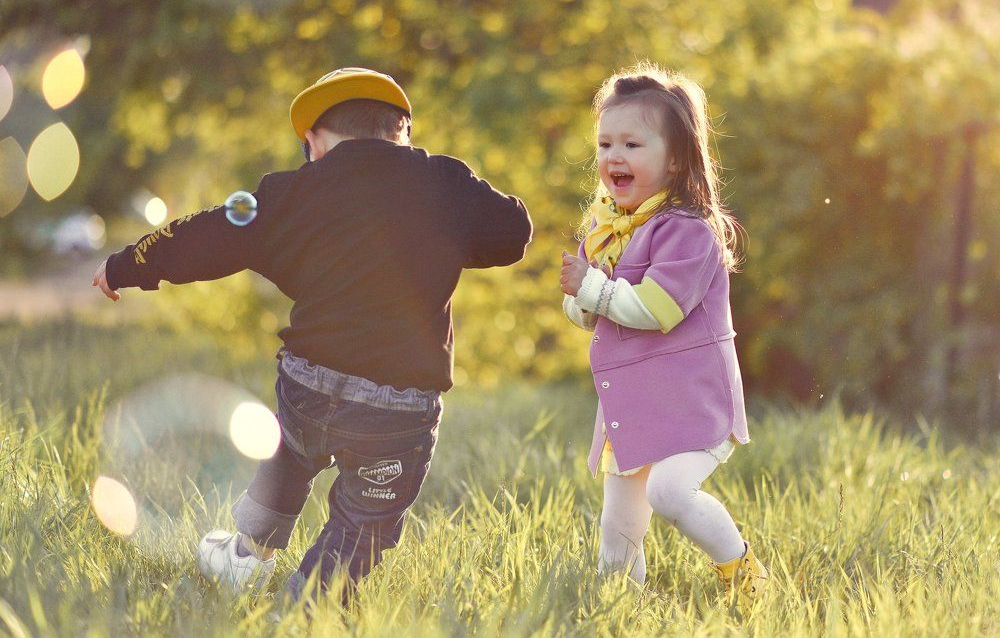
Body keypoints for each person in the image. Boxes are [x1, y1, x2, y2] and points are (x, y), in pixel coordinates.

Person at [93, 67, 533, 601]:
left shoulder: (290, 192)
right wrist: (452, 229)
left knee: (287, 454)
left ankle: (245, 554)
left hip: (307, 386)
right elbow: (513, 234)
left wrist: (126, 265)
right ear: (403, 132)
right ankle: (308, 608)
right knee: (361, 523)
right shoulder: (445, 183)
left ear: (314, 143)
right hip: (396, 410)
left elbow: (205, 234)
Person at [559, 63, 767, 616]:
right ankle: (617, 609)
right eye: (605, 143)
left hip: (691, 397)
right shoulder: (606, 227)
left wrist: (594, 290)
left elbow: (656, 310)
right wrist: (581, 296)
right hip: (633, 402)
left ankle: (743, 572)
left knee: (669, 493)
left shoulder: (688, 230)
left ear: (675, 158)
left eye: (632, 142)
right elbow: (591, 313)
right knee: (618, 524)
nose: (613, 156)